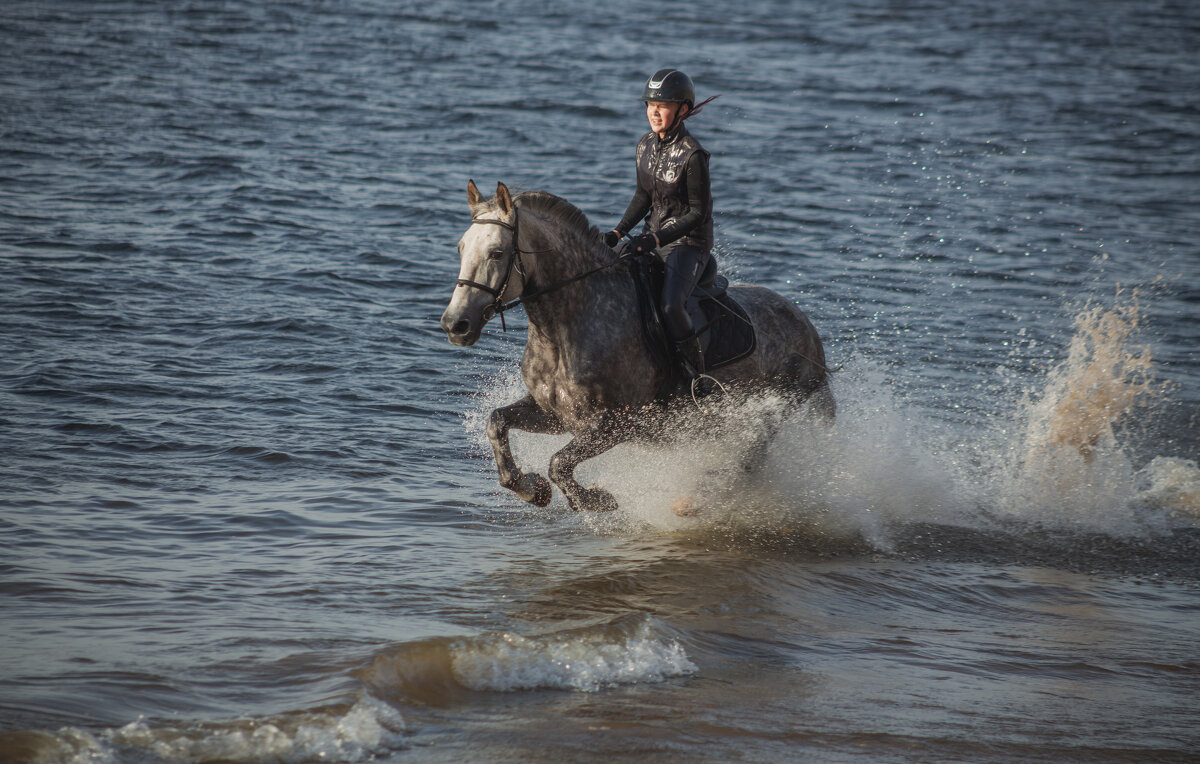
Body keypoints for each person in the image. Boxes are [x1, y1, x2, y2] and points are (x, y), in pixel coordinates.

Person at [605, 68, 718, 392]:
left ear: (683, 109)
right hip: (651, 236)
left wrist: (655, 238)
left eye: (663, 105)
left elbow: (697, 213)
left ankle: (697, 376)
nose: (654, 111)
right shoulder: (645, 146)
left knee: (670, 305)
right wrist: (618, 232)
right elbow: (643, 196)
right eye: (649, 104)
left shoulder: (693, 155)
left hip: (688, 242)